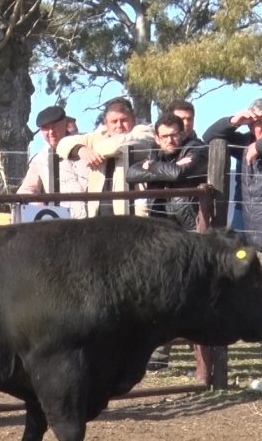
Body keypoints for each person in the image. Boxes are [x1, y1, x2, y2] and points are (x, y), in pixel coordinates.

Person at [125, 112, 208, 371]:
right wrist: (161, 169)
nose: (170, 140)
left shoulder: (198, 149)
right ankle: (160, 354)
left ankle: (205, 365)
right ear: (157, 139)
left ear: (182, 134)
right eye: (164, 136)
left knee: (195, 292)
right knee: (162, 290)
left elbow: (178, 174)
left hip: (192, 231)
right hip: (162, 232)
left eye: (174, 135)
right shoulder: (157, 154)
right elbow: (132, 173)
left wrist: (155, 170)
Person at [56, 97, 155, 216]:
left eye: (124, 120)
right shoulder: (99, 136)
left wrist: (92, 151)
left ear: (133, 120)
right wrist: (80, 149)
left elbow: (116, 145)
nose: (119, 125)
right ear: (106, 124)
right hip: (98, 212)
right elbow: (62, 144)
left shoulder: (144, 132)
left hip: (132, 212)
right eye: (114, 121)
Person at [203, 98, 262, 248]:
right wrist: (235, 121)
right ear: (250, 126)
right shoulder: (243, 143)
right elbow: (209, 136)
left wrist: (259, 146)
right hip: (242, 212)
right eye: (258, 123)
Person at [17, 104, 91, 218]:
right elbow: (26, 190)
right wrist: (40, 206)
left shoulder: (87, 143)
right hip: (66, 220)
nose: (51, 132)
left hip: (97, 216)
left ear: (65, 124)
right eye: (45, 128)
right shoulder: (40, 159)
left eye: (55, 126)